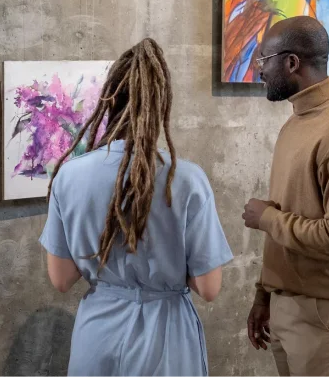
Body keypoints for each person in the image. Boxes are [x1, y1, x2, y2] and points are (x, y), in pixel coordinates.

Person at [39, 38, 234, 377]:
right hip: (166, 340)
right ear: (161, 103)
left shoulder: (69, 176)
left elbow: (61, 279)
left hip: (97, 337)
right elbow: (209, 287)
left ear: (109, 100)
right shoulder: (186, 180)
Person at [241, 16, 329, 377]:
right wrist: (265, 294)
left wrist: (267, 218)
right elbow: (290, 216)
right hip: (288, 306)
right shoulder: (295, 125)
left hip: (326, 315)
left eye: (263, 60)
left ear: (291, 63)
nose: (259, 71)